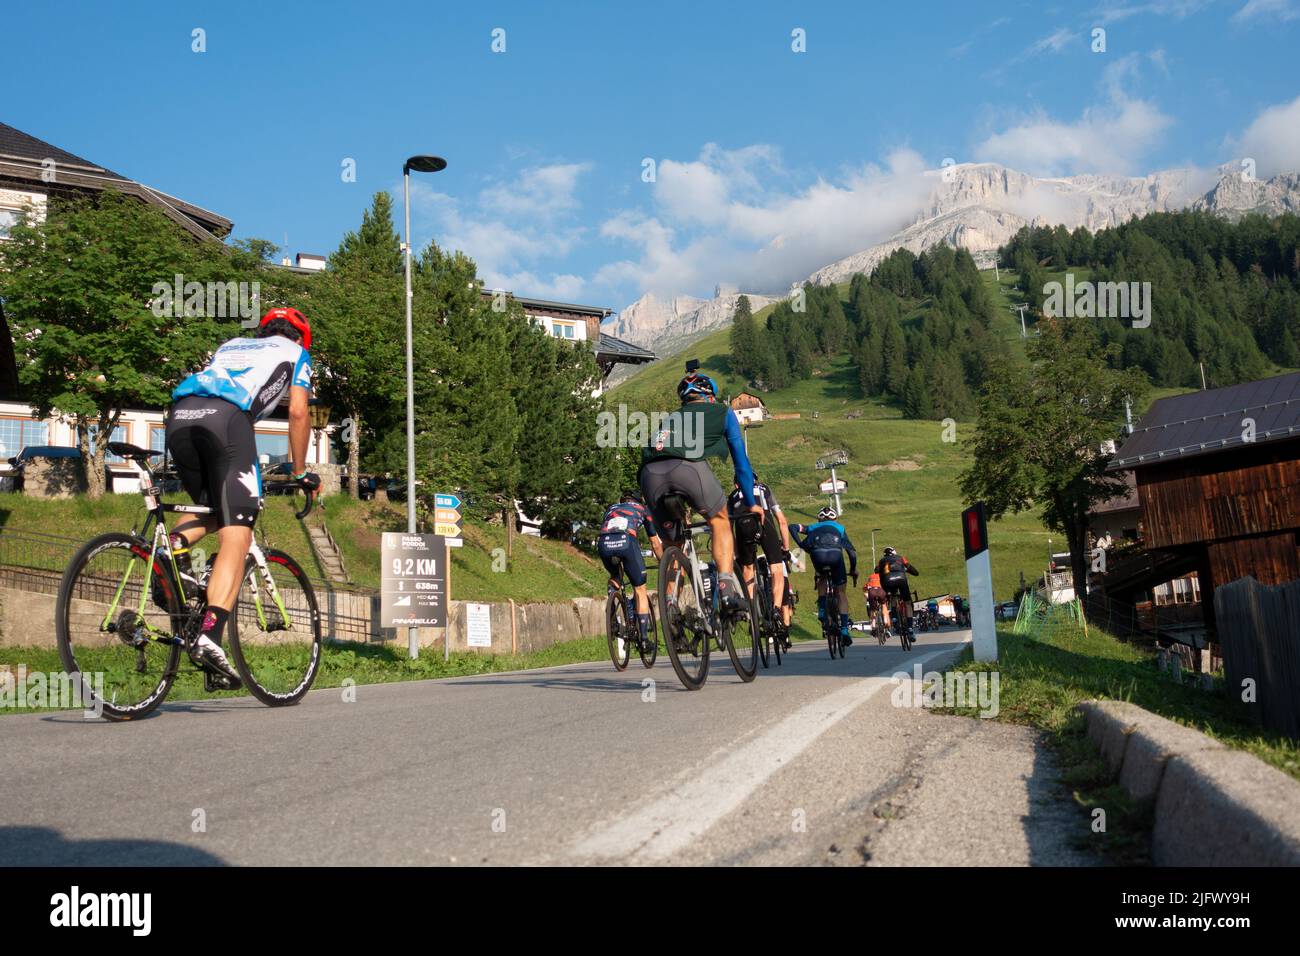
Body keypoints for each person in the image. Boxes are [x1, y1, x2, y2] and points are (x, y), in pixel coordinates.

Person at [165, 307, 319, 690]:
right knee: (238, 531)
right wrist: (300, 472)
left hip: (180, 417)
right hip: (228, 424)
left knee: (216, 510)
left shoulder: (231, 344)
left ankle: (172, 549)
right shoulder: (297, 352)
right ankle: (210, 637)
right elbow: (298, 412)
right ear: (300, 337)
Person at [639, 367, 759, 613]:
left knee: (673, 543)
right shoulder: (722, 412)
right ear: (710, 397)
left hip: (649, 475)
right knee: (720, 520)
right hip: (687, 469)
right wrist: (750, 500)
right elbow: (741, 463)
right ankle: (726, 588)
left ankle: (671, 605)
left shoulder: (670, 418)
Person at [728, 475, 792, 647]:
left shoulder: (732, 496)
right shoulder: (764, 489)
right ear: (755, 481)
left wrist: (736, 554)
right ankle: (777, 610)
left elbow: (729, 530)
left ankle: (752, 614)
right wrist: (785, 548)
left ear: (736, 484)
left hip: (742, 525)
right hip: (763, 521)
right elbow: (782, 521)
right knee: (777, 568)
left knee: (748, 569)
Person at [596, 491, 663, 647]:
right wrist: (663, 562)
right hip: (626, 541)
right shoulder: (643, 509)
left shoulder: (611, 508)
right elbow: (655, 544)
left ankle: (612, 612)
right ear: (639, 500)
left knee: (615, 577)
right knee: (640, 589)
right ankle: (645, 639)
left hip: (604, 543)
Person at [790, 507, 858, 644]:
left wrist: (801, 545)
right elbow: (851, 552)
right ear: (835, 519)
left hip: (818, 555)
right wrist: (853, 569)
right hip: (835, 556)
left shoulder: (812, 527)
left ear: (819, 518)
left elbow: (792, 527)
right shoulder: (840, 528)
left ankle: (822, 610)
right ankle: (844, 629)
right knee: (841, 593)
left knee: (821, 576)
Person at [875, 546, 919, 631]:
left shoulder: (881, 561)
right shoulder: (901, 558)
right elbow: (911, 569)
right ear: (894, 553)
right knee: (908, 603)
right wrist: (914, 572)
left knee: (893, 597)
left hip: (888, 581)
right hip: (901, 579)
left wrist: (884, 570)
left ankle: (894, 618)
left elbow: (876, 570)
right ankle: (910, 627)